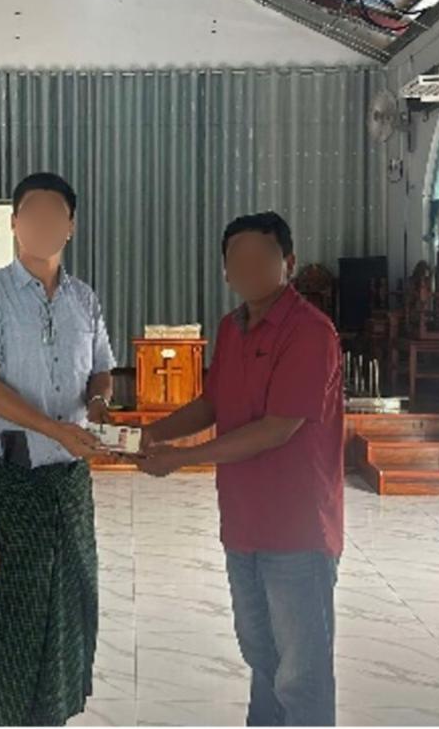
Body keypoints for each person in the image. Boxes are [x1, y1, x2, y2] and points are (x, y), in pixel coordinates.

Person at [137, 211, 344, 727]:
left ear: (288, 262)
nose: (248, 269)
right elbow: (213, 402)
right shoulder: (233, 327)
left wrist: (180, 459)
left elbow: (277, 428)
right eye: (237, 259)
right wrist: (154, 434)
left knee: (301, 673)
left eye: (261, 257)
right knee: (261, 656)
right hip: (243, 524)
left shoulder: (310, 332)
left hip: (297, 531)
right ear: (225, 270)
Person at [0, 172, 116, 726]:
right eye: (32, 213)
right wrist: (54, 428)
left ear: (71, 226)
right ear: (14, 223)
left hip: (69, 483)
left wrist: (98, 405)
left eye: (55, 215)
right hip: (10, 482)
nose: (43, 224)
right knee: (11, 613)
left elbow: (101, 370)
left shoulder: (84, 299)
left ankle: (55, 716)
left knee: (70, 605)